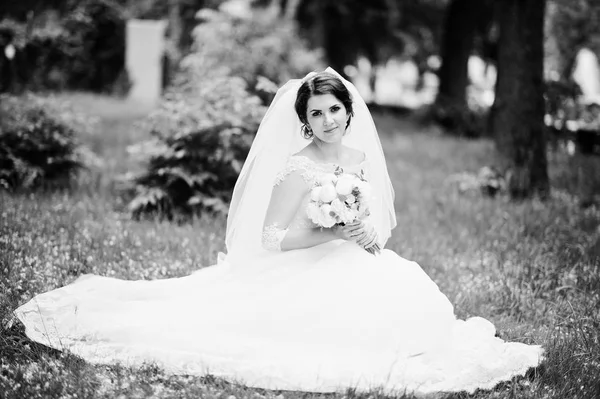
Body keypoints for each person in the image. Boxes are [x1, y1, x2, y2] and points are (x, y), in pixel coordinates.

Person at [15, 68, 543, 397]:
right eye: (318, 112)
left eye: (336, 108)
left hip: (356, 259)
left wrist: (361, 233)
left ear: (348, 111)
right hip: (303, 265)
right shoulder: (296, 167)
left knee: (416, 313)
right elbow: (270, 239)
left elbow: (374, 233)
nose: (329, 118)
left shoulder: (359, 158)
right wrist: (330, 234)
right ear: (306, 121)